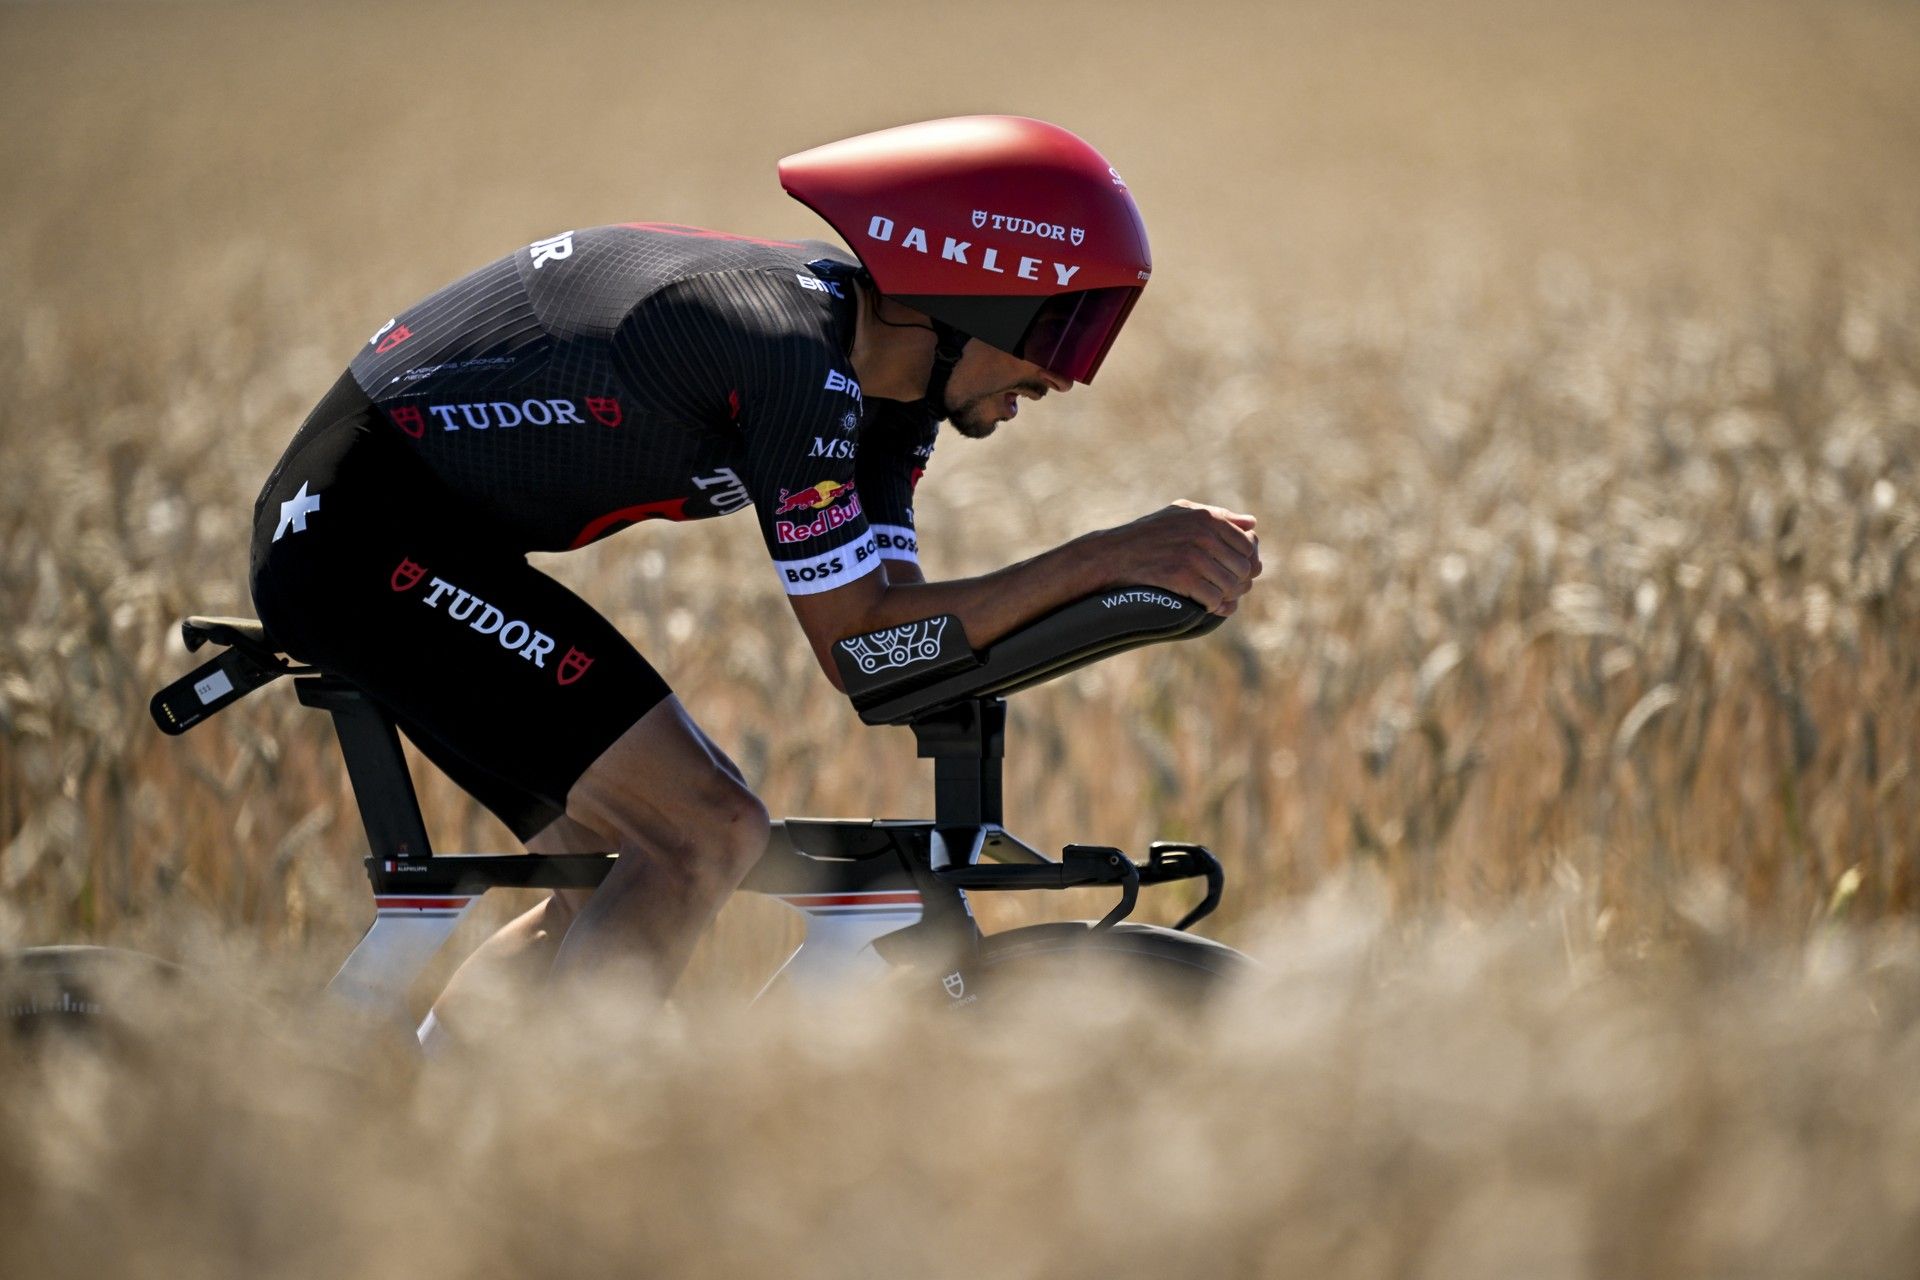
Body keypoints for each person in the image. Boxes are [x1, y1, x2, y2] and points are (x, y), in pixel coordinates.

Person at [247, 115, 1261, 1042]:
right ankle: (558, 1160)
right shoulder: (785, 354)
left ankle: (442, 1138)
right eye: (1060, 329)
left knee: (619, 877)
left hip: (431, 536)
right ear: (963, 291)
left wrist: (1126, 593)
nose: (1066, 375)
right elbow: (860, 642)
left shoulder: (887, 391)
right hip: (354, 534)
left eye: (1095, 334)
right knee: (701, 833)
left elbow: (898, 652)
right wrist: (1106, 555)